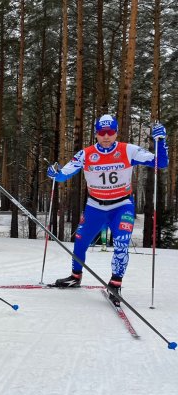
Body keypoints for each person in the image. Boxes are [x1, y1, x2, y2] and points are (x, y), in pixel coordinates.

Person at [47, 114, 168, 305]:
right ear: (96, 134)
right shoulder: (86, 154)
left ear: (116, 132)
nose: (106, 136)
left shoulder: (128, 150)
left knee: (121, 243)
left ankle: (115, 284)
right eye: (102, 133)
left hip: (122, 205)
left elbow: (160, 163)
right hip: (95, 206)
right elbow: (63, 175)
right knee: (80, 241)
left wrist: (160, 141)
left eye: (110, 132)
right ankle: (75, 276)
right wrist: (55, 174)